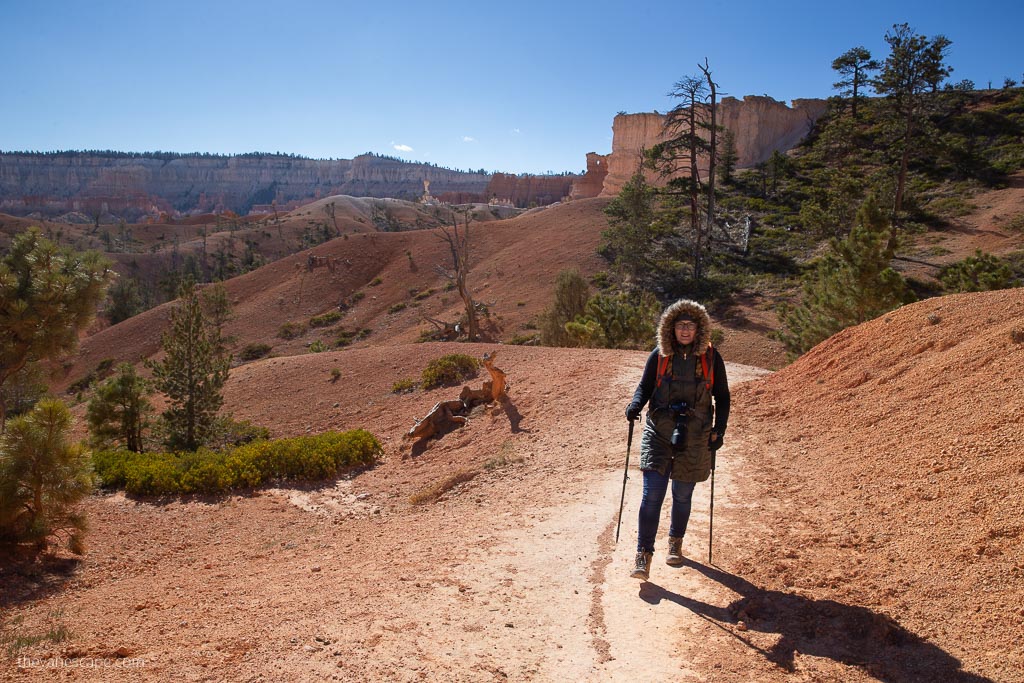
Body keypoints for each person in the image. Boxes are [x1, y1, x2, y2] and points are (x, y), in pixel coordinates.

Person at [624, 299, 730, 580]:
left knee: (682, 495)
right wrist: (635, 405)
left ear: (699, 329)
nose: (685, 330)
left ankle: (675, 541)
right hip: (658, 431)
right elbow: (644, 386)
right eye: (680, 325)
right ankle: (642, 555)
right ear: (671, 328)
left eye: (690, 326)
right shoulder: (659, 355)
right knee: (652, 495)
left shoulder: (711, 358)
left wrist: (720, 429)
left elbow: (723, 396)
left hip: (695, 435)